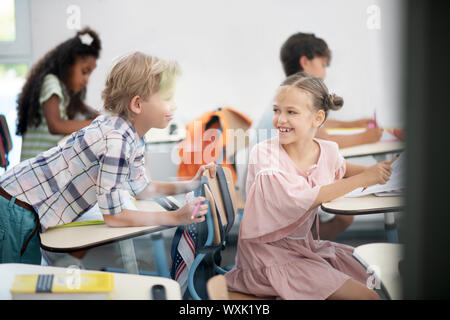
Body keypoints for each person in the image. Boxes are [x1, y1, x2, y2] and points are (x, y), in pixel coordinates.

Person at [0, 51, 217, 264]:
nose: (174, 105)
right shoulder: (116, 140)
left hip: (21, 203)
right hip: (17, 207)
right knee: (14, 282)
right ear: (138, 104)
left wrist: (189, 184)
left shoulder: (133, 136)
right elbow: (114, 216)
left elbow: (141, 189)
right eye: (167, 98)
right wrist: (174, 217)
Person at [225, 72, 392, 299]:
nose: (280, 120)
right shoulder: (264, 155)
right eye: (277, 111)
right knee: (367, 297)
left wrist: (389, 172)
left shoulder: (327, 149)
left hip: (304, 249)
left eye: (291, 112)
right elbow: (301, 199)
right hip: (267, 258)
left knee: (371, 276)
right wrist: (365, 179)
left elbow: (345, 169)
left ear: (317, 118)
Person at [16, 27, 101, 161]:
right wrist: (96, 125)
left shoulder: (64, 91)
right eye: (84, 71)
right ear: (68, 64)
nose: (86, 80)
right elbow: (55, 125)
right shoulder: (51, 82)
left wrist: (101, 116)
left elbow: (84, 109)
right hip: (33, 169)